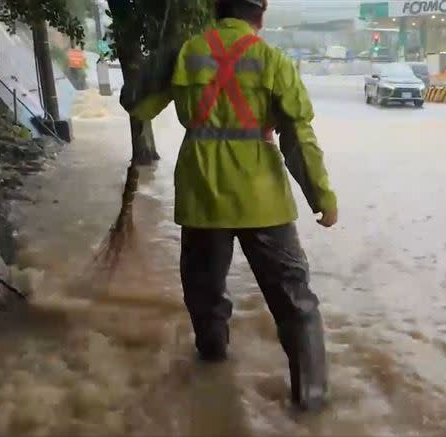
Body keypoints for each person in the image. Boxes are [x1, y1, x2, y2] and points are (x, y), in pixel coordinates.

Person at [121, 0, 338, 412]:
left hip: (201, 196)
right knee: (296, 303)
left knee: (204, 292)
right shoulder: (273, 60)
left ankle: (213, 365)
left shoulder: (187, 53)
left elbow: (136, 102)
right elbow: (299, 140)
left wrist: (168, 51)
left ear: (217, 10)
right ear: (262, 14)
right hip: (263, 202)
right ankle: (311, 406)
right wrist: (322, 199)